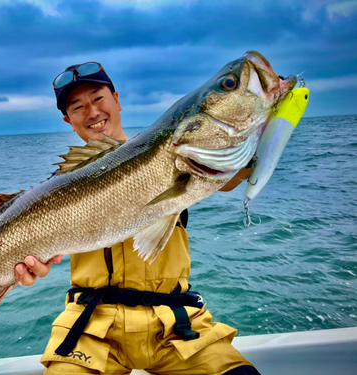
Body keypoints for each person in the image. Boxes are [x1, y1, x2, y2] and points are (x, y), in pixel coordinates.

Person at [14, 62, 260, 374]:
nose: (92, 112)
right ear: (68, 119)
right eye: (78, 106)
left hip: (176, 323)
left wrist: (266, 122)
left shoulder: (178, 151)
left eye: (98, 98)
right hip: (91, 327)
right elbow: (35, 252)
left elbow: (234, 172)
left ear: (117, 99)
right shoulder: (58, 186)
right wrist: (32, 267)